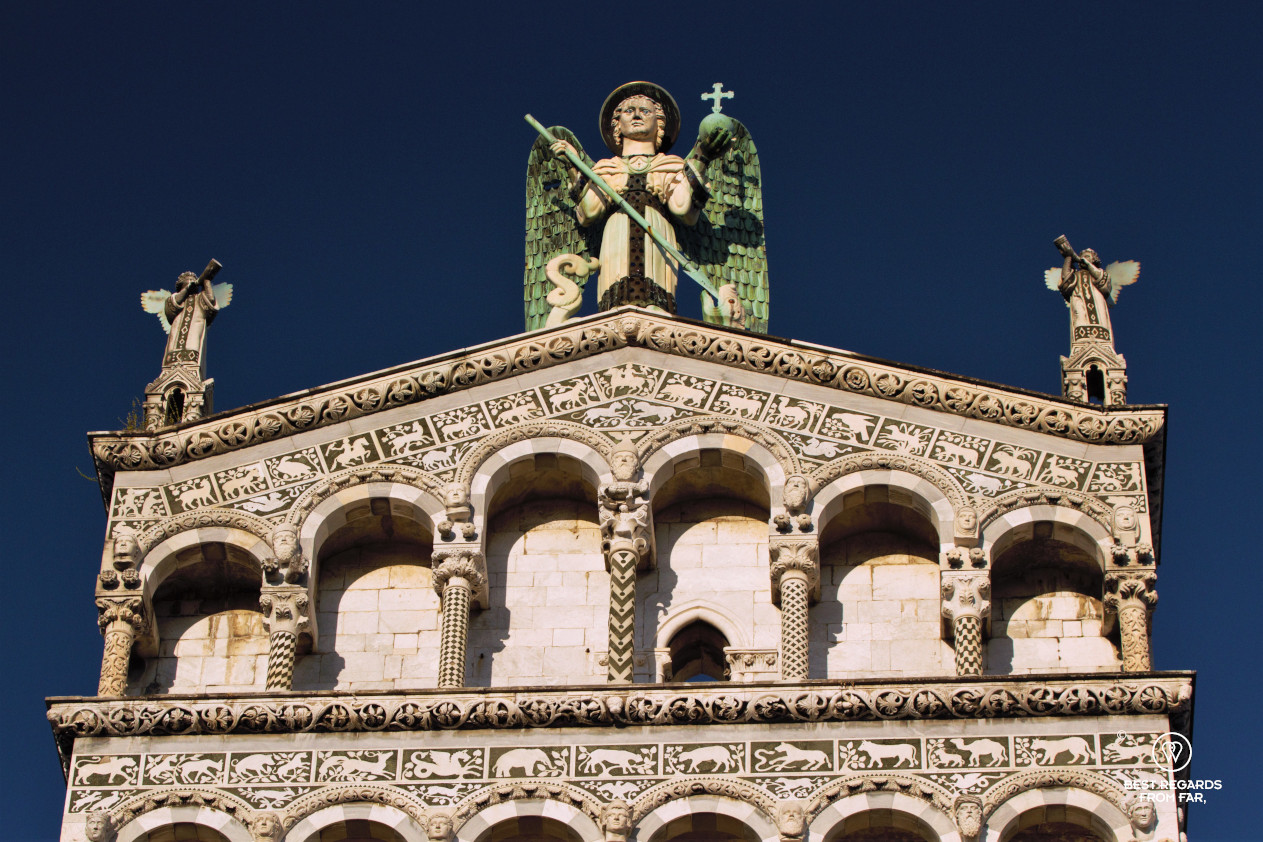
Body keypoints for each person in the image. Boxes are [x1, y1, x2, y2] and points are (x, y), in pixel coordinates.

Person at [551, 82, 701, 312]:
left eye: (645, 111)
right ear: (617, 125)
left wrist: (704, 157)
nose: (637, 115)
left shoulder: (672, 165)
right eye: (629, 111)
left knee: (657, 302)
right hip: (617, 229)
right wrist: (574, 166)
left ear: (659, 124)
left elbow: (682, 209)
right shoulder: (607, 168)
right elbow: (590, 211)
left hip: (656, 227)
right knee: (616, 301)